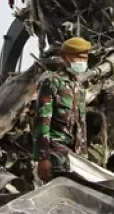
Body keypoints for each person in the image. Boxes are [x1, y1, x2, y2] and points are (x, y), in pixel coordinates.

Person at [33, 37, 92, 182]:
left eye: (85, 58)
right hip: (56, 155)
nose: (82, 61)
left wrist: (84, 157)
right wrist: (43, 158)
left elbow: (81, 126)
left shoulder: (78, 86)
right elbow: (42, 122)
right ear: (65, 58)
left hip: (77, 157)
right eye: (78, 57)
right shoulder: (52, 82)